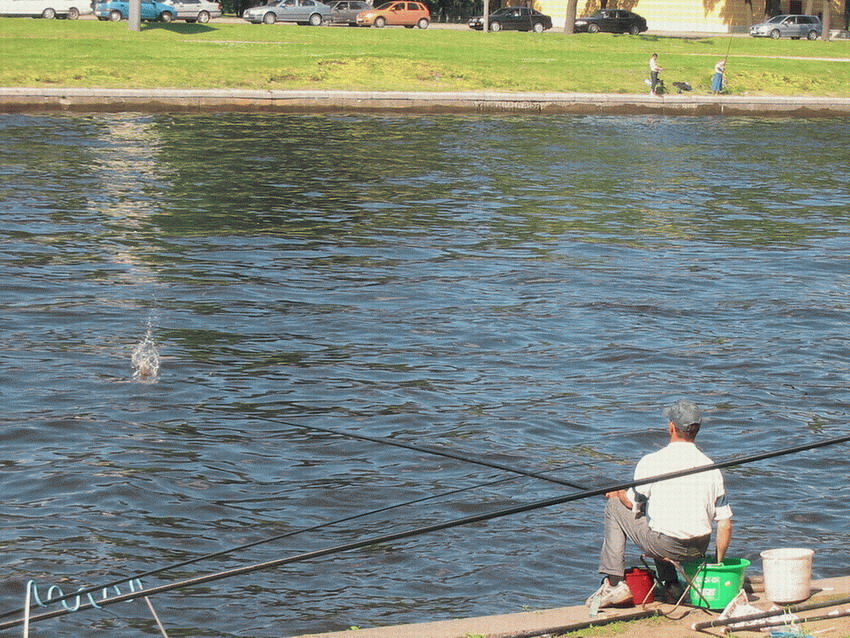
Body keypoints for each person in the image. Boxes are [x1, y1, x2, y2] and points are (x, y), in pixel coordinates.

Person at [586, 399, 733, 609]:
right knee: (655, 515)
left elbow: (630, 503)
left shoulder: (652, 461)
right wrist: (717, 564)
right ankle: (671, 584)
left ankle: (614, 583)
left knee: (615, 508)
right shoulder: (712, 468)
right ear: (696, 430)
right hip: (699, 547)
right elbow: (725, 524)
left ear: (671, 427)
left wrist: (618, 493)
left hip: (665, 546)